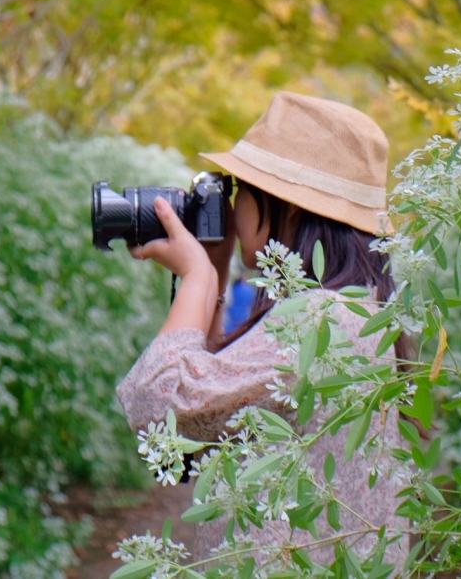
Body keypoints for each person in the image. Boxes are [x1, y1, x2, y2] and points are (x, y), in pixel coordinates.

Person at [116, 91, 411, 572]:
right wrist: (211, 269)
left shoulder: (321, 320)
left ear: (288, 207)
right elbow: (213, 414)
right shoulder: (354, 311)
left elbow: (164, 406)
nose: (232, 208)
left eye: (240, 190)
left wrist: (196, 278)